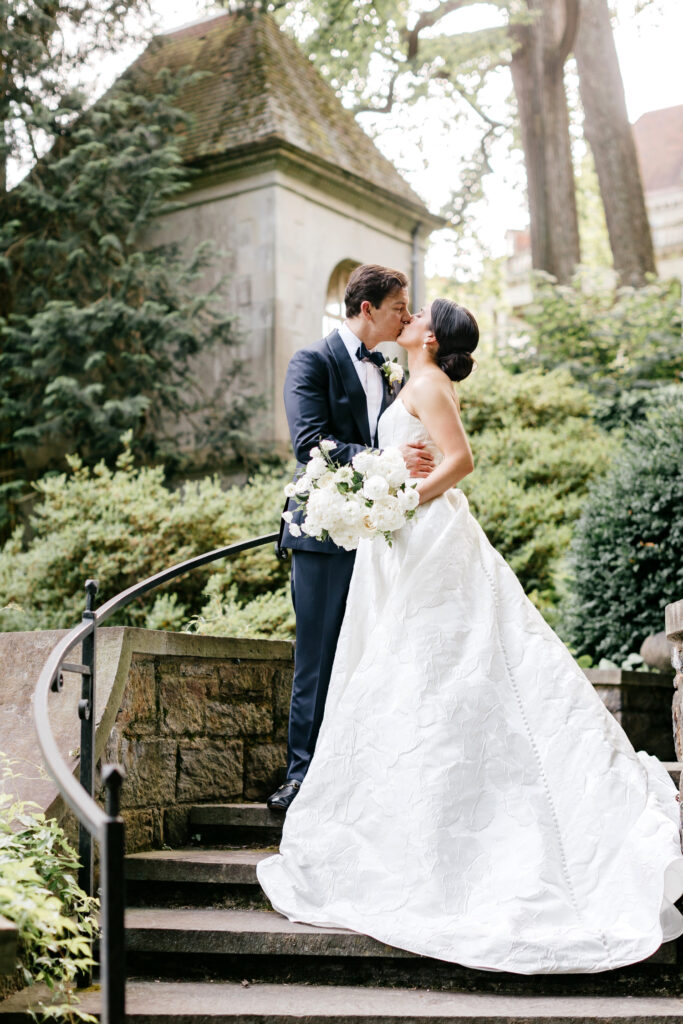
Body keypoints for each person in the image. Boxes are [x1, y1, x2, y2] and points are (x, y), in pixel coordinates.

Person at [257, 297, 683, 973]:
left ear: (429, 335)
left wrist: (397, 500)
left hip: (430, 534)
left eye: (417, 312)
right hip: (404, 538)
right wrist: (384, 485)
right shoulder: (409, 380)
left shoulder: (427, 382)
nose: (409, 316)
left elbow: (459, 461)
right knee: (411, 674)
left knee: (444, 664)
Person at [266, 265, 434, 813]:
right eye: (397, 308)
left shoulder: (389, 372)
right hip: (321, 530)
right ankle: (300, 776)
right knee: (316, 655)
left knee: (368, 651)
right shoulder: (311, 362)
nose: (405, 316)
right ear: (367, 309)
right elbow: (309, 442)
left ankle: (354, 774)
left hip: (376, 532)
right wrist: (388, 460)